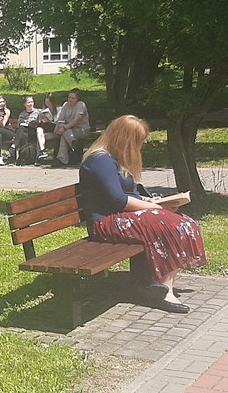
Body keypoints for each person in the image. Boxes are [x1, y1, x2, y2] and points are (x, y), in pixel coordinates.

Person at [79, 115, 207, 313]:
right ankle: (164, 291)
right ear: (124, 138)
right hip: (105, 222)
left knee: (184, 222)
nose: (142, 144)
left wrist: (153, 202)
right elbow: (119, 201)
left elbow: (131, 194)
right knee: (169, 226)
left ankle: (160, 284)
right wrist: (156, 209)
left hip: (122, 217)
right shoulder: (100, 160)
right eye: (138, 140)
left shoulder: (115, 158)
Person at [52, 88, 91, 166]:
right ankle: (73, 143)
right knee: (63, 130)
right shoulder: (65, 105)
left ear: (78, 98)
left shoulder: (81, 105)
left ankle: (62, 159)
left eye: (73, 98)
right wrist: (56, 128)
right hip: (69, 130)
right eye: (69, 97)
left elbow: (76, 120)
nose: (70, 100)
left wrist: (64, 128)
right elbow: (61, 119)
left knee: (64, 133)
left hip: (81, 129)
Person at [12, 95, 42, 164]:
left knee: (22, 130)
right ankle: (26, 158)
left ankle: (14, 147)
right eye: (28, 102)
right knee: (24, 135)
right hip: (25, 131)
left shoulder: (38, 112)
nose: (31, 104)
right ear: (24, 104)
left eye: (32, 102)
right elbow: (18, 125)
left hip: (35, 132)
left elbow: (41, 122)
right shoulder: (22, 114)